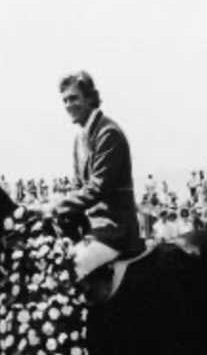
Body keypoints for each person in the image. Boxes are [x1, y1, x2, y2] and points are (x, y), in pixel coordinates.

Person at [44, 71, 145, 304]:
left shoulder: (108, 133)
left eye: (74, 98)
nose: (69, 105)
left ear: (90, 98)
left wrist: (54, 208)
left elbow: (95, 189)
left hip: (114, 232)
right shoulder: (80, 138)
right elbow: (79, 188)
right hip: (93, 231)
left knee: (64, 273)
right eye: (65, 100)